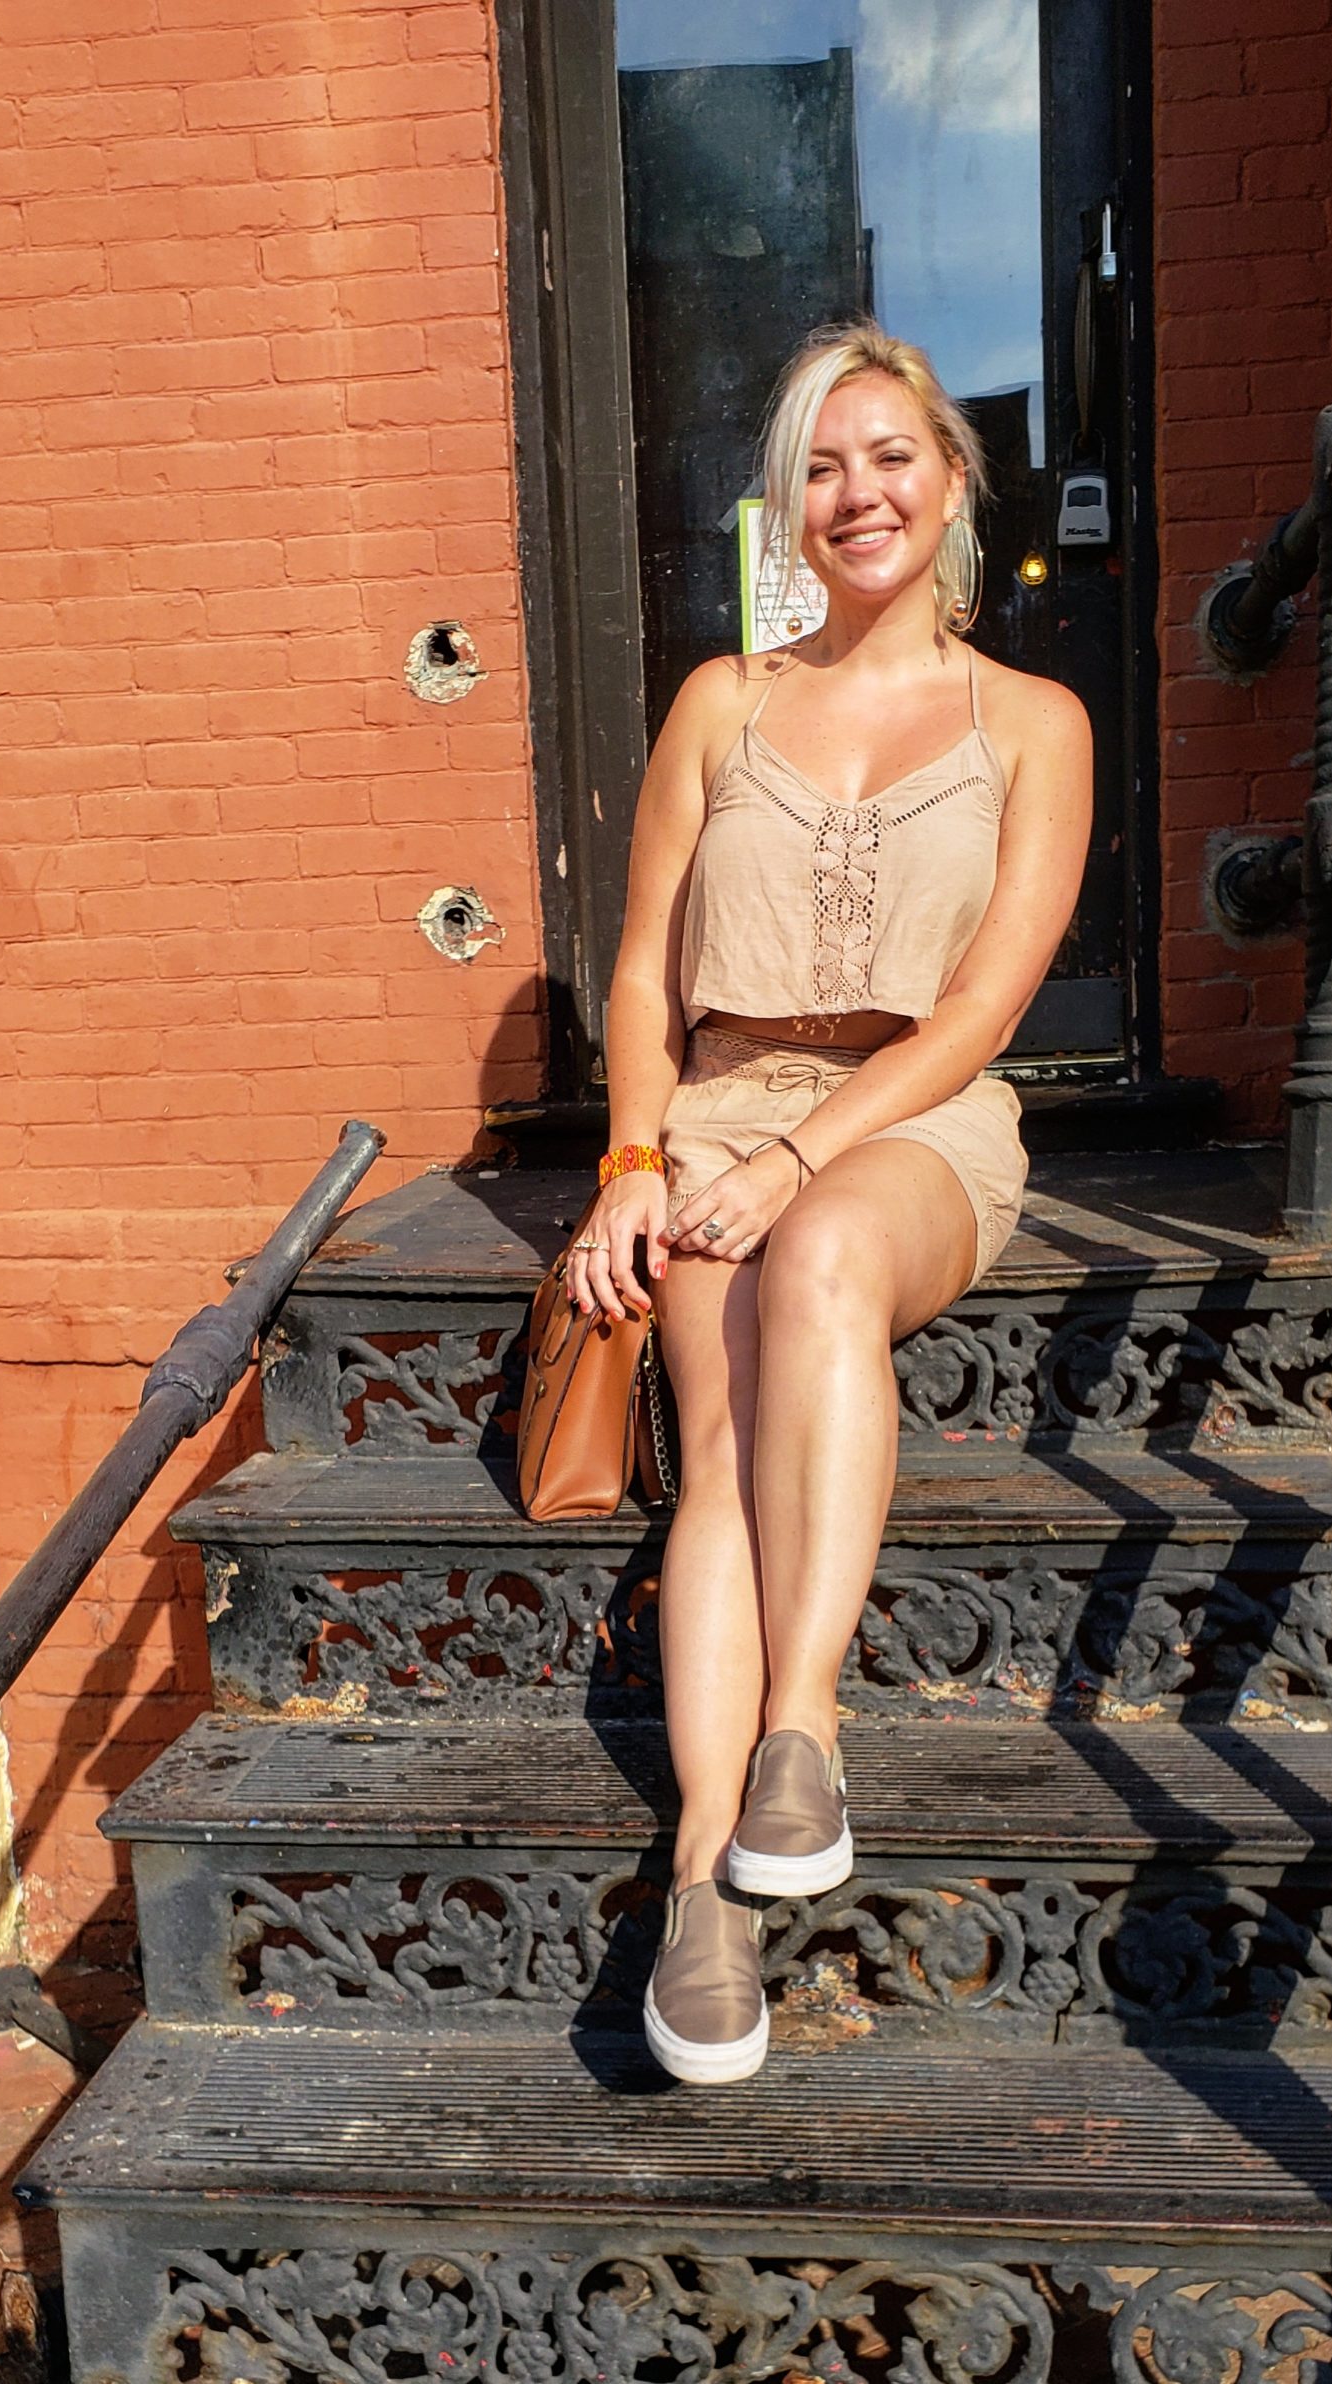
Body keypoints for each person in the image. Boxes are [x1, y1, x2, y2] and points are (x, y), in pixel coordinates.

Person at [566, 319, 1092, 2082]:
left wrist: (799, 1159)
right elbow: (644, 974)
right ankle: (707, 1880)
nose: (857, 493)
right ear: (788, 505)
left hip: (916, 1113)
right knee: (721, 1446)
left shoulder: (1034, 722)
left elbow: (983, 1008)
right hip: (720, 1106)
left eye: (890, 458)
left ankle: (805, 1727)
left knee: (825, 1259)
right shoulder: (721, 702)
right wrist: (636, 1164)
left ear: (951, 483)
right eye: (820, 466)